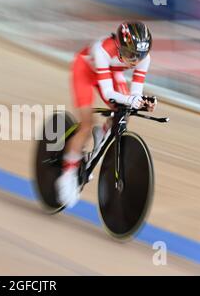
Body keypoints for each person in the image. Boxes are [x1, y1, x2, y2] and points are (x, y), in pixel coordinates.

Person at [56, 21, 157, 208]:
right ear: (119, 45)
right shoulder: (102, 50)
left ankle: (103, 131)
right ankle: (68, 173)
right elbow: (109, 92)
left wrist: (143, 102)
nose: (134, 61)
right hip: (85, 72)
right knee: (86, 125)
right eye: (130, 55)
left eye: (139, 56)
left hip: (111, 73)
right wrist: (131, 100)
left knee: (125, 114)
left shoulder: (144, 57)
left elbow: (135, 93)